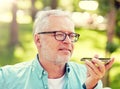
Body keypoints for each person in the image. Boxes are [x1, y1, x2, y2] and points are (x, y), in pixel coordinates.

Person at [0, 10, 114, 89]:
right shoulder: (7, 77)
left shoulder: (89, 76)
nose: (68, 41)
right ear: (38, 40)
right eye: (59, 34)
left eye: (71, 35)